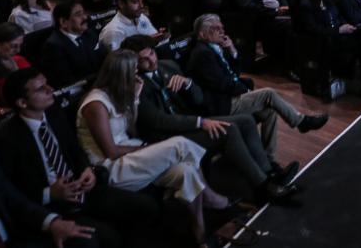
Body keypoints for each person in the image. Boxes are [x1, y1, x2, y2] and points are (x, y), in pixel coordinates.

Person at [76, 50, 229, 248]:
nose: (137, 74)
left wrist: (135, 98)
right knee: (180, 144)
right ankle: (209, 196)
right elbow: (111, 151)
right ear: (121, 73)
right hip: (111, 168)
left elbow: (131, 130)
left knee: (186, 171)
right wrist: (147, 148)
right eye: (133, 70)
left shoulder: (118, 94)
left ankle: (199, 233)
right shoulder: (96, 104)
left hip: (130, 155)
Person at [120, 35, 300, 203]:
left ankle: (269, 173)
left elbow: (199, 99)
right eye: (144, 59)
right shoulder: (134, 85)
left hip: (191, 122)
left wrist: (188, 84)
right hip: (168, 137)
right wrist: (200, 122)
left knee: (246, 121)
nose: (152, 60)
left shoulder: (168, 66)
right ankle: (263, 188)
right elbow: (157, 121)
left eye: (152, 53)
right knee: (227, 130)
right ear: (133, 63)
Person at [0, 68, 161, 248]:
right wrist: (50, 193)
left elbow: (74, 148)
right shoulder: (8, 139)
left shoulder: (53, 112)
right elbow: (11, 191)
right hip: (53, 206)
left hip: (84, 189)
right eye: (40, 89)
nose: (50, 89)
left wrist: (86, 169)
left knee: (146, 205)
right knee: (101, 239)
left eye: (47, 84)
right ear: (22, 102)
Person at [0, 96, 97, 248]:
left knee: (86, 239)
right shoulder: (8, 139)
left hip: (20, 239)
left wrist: (53, 223)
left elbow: (15, 202)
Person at [187, 14, 328, 159]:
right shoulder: (202, 54)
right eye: (215, 28)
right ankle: (301, 121)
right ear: (202, 34)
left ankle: (269, 158)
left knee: (269, 111)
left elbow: (235, 73)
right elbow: (222, 84)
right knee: (268, 93)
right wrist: (245, 91)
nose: (221, 30)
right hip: (222, 103)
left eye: (221, 26)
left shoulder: (215, 47)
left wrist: (232, 50)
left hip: (230, 95)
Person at [40, 0, 107, 89]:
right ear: (63, 22)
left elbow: (103, 59)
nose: (85, 17)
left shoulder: (89, 34)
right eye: (78, 15)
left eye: (84, 13)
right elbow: (66, 81)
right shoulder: (53, 46)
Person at [99, 0, 164, 51]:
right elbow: (120, 57)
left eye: (141, 1)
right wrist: (147, 41)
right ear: (121, 4)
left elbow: (153, 36)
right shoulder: (113, 31)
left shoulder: (141, 17)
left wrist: (160, 37)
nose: (141, 6)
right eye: (135, 2)